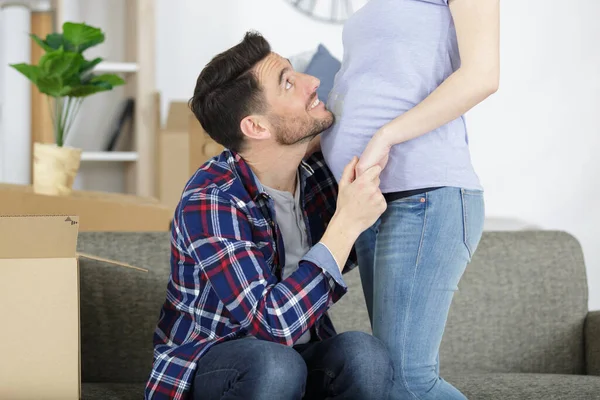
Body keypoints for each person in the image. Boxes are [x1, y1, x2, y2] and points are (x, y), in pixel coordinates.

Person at [144, 32, 393, 400]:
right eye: (288, 82)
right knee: (275, 363)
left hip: (298, 355)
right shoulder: (212, 198)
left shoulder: (317, 177)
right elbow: (272, 326)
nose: (313, 82)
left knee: (364, 356)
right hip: (220, 368)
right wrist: (347, 223)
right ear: (256, 127)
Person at [320, 0, 500, 398]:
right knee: (389, 380)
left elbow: (483, 75)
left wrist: (385, 135)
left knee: (408, 381)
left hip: (425, 197)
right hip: (375, 204)